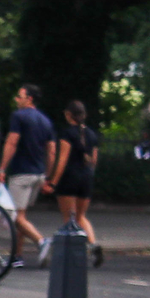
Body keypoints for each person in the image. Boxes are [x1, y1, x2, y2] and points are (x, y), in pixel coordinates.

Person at [0, 83, 54, 265]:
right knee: (21, 216)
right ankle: (17, 257)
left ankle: (41, 241)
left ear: (29, 99)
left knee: (14, 216)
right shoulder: (45, 121)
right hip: (38, 174)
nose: (16, 99)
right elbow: (51, 151)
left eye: (19, 96)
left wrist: (2, 168)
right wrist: (48, 177)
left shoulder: (18, 117)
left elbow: (12, 143)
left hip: (21, 173)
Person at [46, 98, 100, 254]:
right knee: (81, 216)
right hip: (86, 178)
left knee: (69, 219)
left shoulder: (67, 133)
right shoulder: (92, 134)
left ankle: (71, 253)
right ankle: (93, 244)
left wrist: (53, 183)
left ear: (68, 115)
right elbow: (94, 161)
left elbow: (62, 160)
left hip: (69, 179)